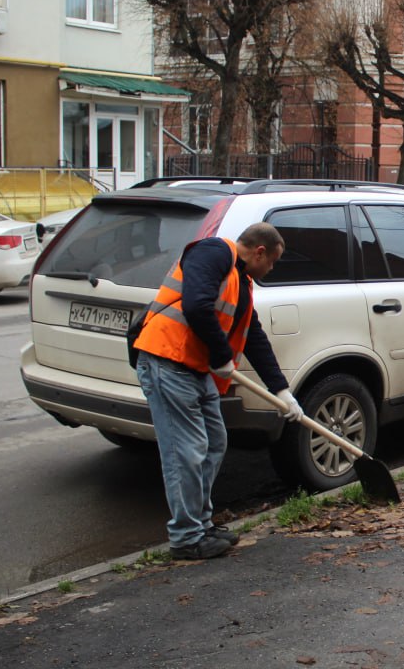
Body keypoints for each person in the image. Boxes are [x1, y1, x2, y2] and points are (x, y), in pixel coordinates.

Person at [133, 222, 302, 560]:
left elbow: (253, 336)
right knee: (186, 451)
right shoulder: (213, 252)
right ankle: (186, 538)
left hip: (196, 369)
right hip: (167, 362)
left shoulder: (242, 282)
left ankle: (201, 524)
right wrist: (222, 355)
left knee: (213, 442)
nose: (270, 269)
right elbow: (196, 305)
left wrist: (282, 391)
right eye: (272, 262)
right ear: (259, 252)